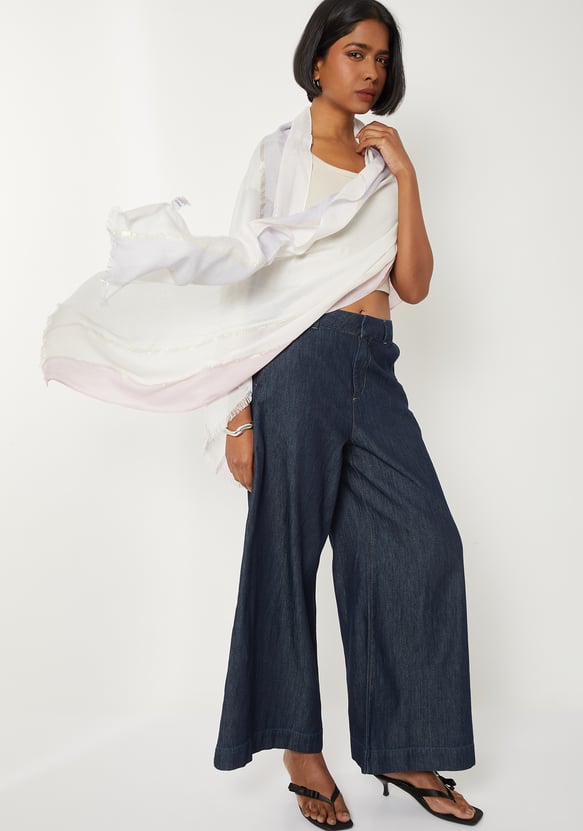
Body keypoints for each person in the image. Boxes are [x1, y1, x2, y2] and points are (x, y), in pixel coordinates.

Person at [216, 0, 483, 827]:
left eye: (381, 58)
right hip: (295, 362)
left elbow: (413, 284)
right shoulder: (277, 154)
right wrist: (236, 413)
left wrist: (406, 173)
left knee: (424, 542)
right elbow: (240, 282)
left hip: (374, 361)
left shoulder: (379, 166)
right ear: (318, 62)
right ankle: (299, 750)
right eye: (355, 53)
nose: (371, 70)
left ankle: (402, 745)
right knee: (284, 555)